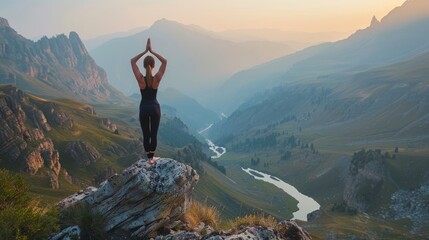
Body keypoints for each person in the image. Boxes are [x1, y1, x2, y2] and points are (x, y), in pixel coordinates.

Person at [131, 38, 167, 164]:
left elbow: (132, 61)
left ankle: (149, 159)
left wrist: (144, 51)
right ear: (153, 66)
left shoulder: (140, 79)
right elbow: (165, 61)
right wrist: (152, 51)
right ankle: (153, 157)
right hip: (155, 107)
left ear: (144, 65)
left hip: (144, 108)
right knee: (154, 134)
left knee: (146, 134)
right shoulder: (156, 78)